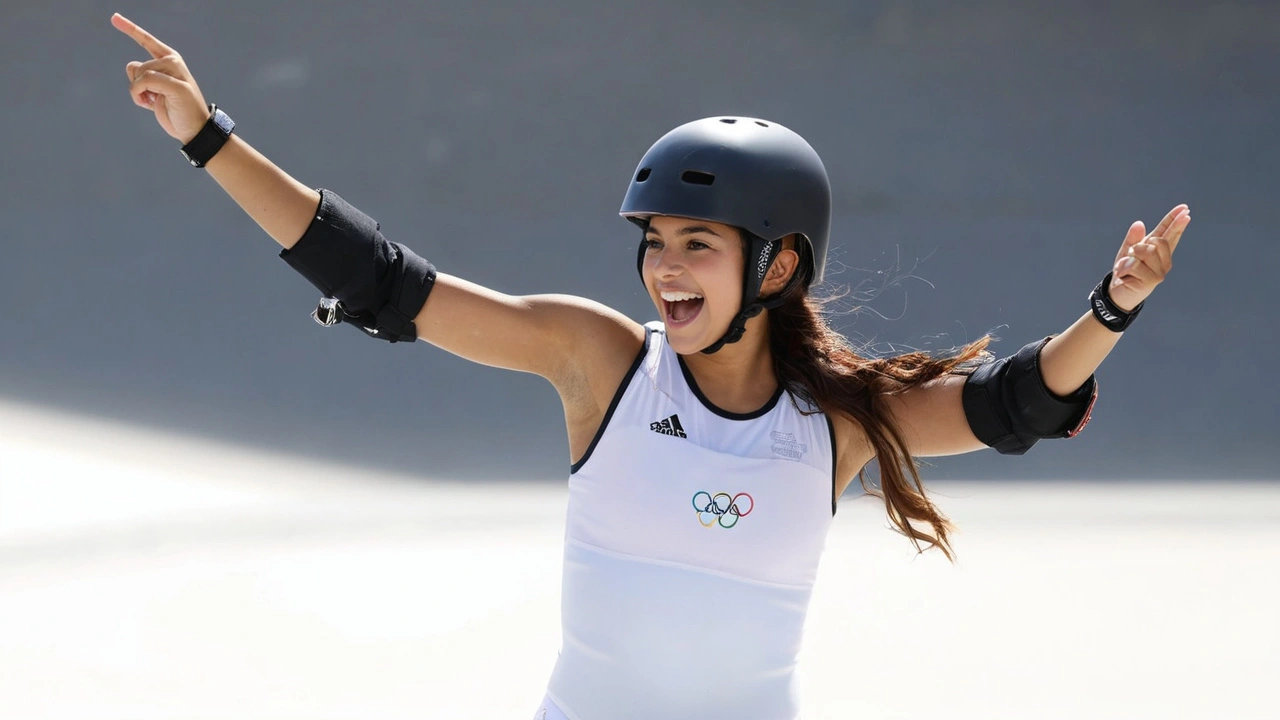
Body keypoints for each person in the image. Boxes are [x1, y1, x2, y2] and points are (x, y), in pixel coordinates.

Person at [112, 12, 1190, 720]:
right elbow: (389, 284)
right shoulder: (600, 364)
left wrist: (1109, 308)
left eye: (698, 245)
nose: (663, 269)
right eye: (654, 241)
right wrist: (206, 136)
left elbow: (1017, 405)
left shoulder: (837, 423)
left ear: (775, 268)